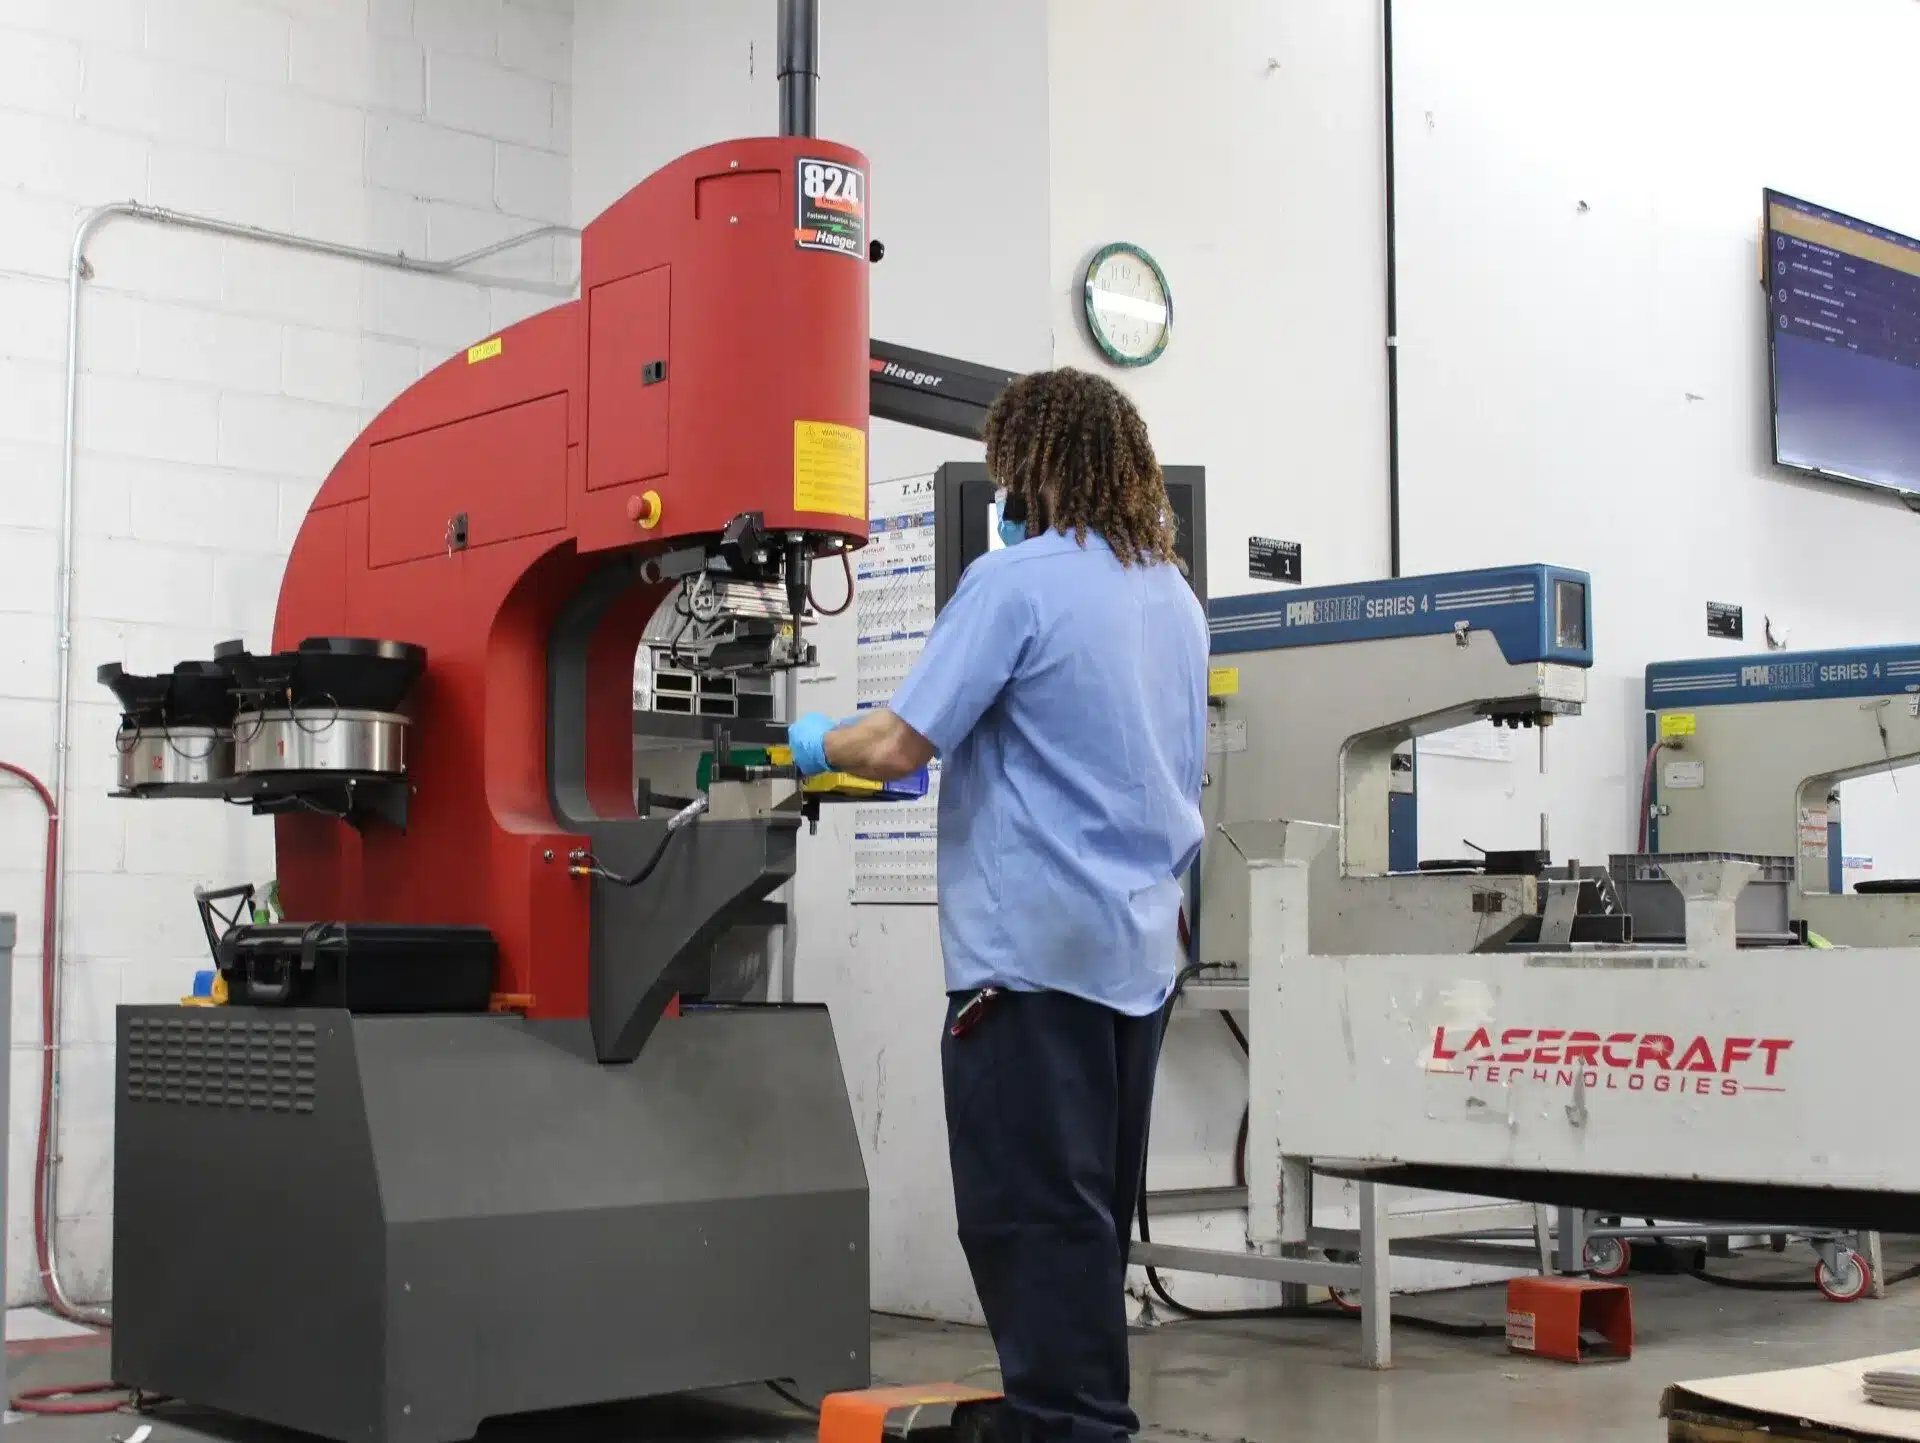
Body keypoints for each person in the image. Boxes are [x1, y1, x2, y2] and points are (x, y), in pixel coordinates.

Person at [786, 368, 1208, 1443]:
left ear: (1030, 465)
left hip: (1029, 955)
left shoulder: (1014, 582)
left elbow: (896, 742)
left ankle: (1070, 1425)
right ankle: (1082, 1412)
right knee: (1092, 1211)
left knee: (1028, 1212)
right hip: (1140, 949)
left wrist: (801, 746)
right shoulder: (1172, 595)